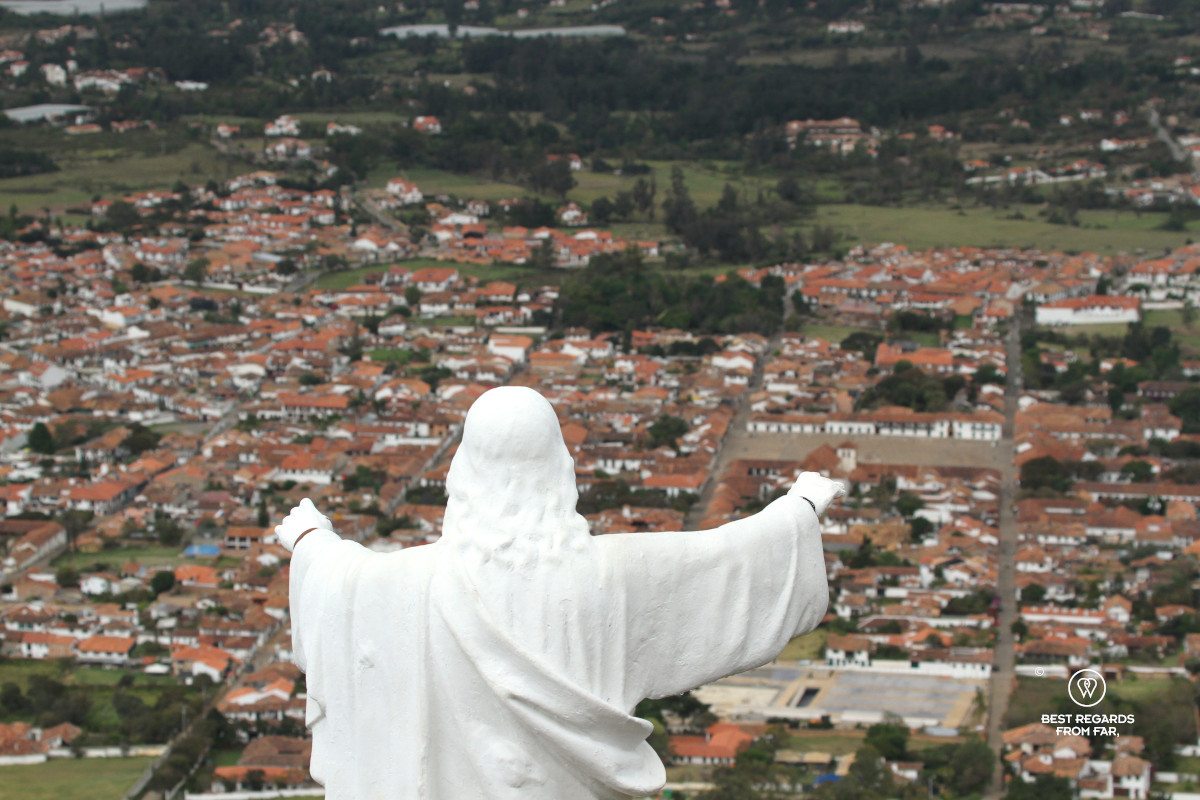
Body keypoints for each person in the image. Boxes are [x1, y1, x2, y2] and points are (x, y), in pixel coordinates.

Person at [279, 386, 841, 800]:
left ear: (464, 472)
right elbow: (732, 561)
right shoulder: (614, 574)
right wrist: (801, 509)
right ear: (558, 465)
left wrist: (308, 538)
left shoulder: (404, 583)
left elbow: (338, 583)